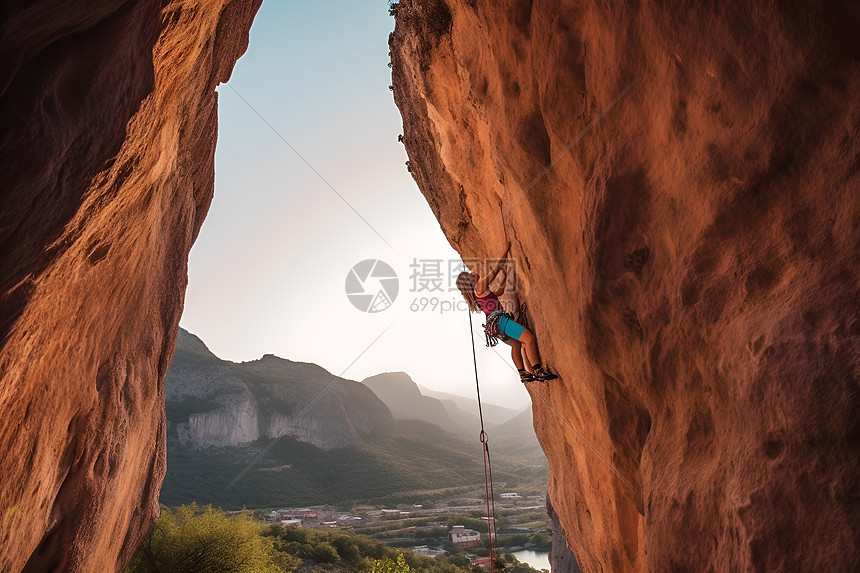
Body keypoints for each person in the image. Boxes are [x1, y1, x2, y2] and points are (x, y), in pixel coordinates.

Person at [456, 242, 558, 383]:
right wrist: (506, 250)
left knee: (516, 345)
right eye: (470, 275)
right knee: (528, 339)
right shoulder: (479, 286)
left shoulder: (478, 296)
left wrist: (504, 275)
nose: (473, 273)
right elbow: (495, 269)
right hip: (500, 322)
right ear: (469, 282)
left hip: (493, 328)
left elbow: (500, 291)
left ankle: (523, 373)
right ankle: (538, 371)